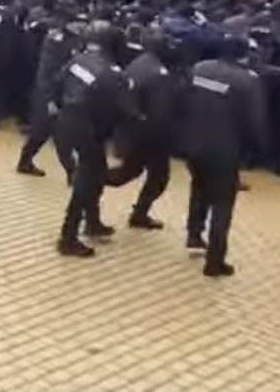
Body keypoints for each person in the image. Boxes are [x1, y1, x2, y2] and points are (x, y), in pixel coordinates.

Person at [182, 36, 267, 277]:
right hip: (225, 149)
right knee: (222, 203)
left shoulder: (199, 68)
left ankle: (194, 235)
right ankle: (215, 261)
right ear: (243, 55)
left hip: (193, 143)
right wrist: (256, 151)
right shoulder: (248, 81)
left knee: (198, 187)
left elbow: (183, 100)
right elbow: (254, 121)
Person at [54, 25, 140, 258]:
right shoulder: (113, 74)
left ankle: (92, 222)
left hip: (68, 120)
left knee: (97, 173)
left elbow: (58, 82)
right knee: (86, 182)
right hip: (89, 130)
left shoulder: (81, 59)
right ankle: (68, 238)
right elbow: (126, 111)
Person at [106, 30, 183, 229]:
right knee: (158, 177)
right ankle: (138, 213)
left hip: (130, 129)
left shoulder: (139, 63)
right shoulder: (159, 74)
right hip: (149, 135)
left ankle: (91, 179)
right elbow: (161, 112)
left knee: (128, 172)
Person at [16, 18, 78, 179]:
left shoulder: (74, 39)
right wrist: (50, 99)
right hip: (48, 94)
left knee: (47, 133)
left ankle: (25, 161)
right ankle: (72, 171)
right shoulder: (56, 41)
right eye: (77, 22)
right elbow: (47, 74)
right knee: (51, 133)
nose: (81, 27)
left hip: (61, 94)